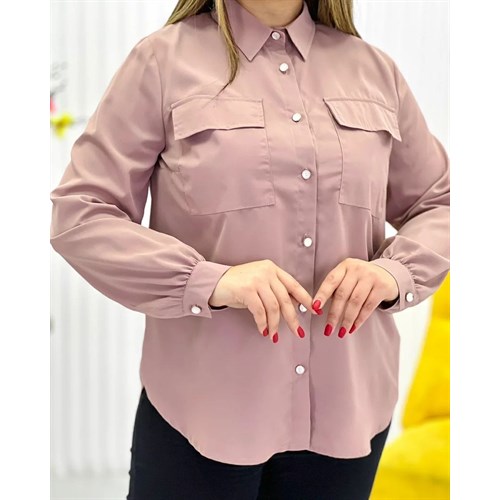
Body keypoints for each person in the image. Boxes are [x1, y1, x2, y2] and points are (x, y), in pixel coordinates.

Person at [49, 0, 450, 498]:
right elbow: (82, 213)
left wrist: (395, 272)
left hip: (347, 415)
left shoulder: (375, 72)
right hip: (202, 414)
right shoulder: (161, 62)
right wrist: (209, 280)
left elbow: (442, 203)